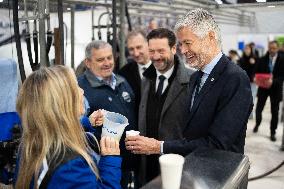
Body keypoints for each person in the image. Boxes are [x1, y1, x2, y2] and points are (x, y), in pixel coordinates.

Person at [126, 8, 252, 162]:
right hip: (194, 168)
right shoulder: (196, 77)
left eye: (187, 43)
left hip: (219, 173)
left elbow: (218, 144)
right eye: (181, 44)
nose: (183, 50)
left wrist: (159, 146)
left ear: (210, 37)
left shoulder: (234, 78)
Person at [15, 66, 121, 188]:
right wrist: (110, 159)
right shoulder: (70, 166)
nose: (82, 91)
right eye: (76, 86)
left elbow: (55, 127)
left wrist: (87, 122)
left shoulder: (31, 145)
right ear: (63, 101)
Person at [126, 28, 193, 184]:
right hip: (147, 165)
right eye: (151, 51)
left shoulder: (191, 81)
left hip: (175, 166)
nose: (155, 57)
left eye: (161, 51)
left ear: (174, 49)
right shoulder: (147, 79)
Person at [77, 40, 137, 188]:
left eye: (109, 58)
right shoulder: (79, 89)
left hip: (129, 159)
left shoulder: (122, 81)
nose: (107, 63)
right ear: (88, 62)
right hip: (102, 163)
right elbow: (74, 125)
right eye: (100, 59)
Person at [253, 41, 284, 141]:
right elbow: (256, 71)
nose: (272, 50)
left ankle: (272, 132)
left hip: (275, 89)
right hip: (263, 88)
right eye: (270, 48)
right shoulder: (262, 59)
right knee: (259, 108)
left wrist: (273, 81)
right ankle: (257, 123)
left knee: (274, 111)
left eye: (274, 48)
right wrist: (255, 78)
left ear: (278, 48)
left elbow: (282, 76)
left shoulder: (282, 60)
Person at [118, 30, 152, 117]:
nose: (136, 53)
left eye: (139, 47)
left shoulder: (162, 69)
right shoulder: (124, 73)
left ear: (148, 44)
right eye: (131, 49)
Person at [238, 44, 257, 118]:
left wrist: (253, 64)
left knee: (252, 97)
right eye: (245, 49)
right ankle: (244, 113)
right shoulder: (241, 59)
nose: (247, 50)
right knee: (243, 98)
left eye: (248, 49)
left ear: (251, 50)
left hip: (252, 82)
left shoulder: (255, 59)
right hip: (243, 82)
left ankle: (250, 114)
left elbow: (256, 70)